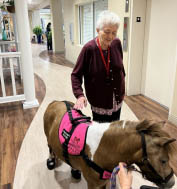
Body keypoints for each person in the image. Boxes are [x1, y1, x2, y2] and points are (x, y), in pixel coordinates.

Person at [71, 10, 125, 179]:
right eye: (106, 32)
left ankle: (113, 163)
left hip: (117, 99)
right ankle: (99, 166)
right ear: (97, 30)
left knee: (114, 132)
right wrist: (80, 95)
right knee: (100, 135)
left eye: (114, 32)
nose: (110, 36)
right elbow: (75, 75)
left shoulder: (116, 44)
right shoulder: (89, 49)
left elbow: (119, 66)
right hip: (100, 102)